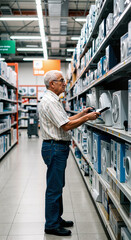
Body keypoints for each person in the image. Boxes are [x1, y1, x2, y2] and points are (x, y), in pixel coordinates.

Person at [39, 70, 100, 237]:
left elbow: (66, 120)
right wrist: (87, 119)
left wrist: (82, 114)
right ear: (52, 84)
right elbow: (66, 126)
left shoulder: (54, 100)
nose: (65, 83)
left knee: (58, 186)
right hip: (54, 147)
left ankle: (56, 219)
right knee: (54, 188)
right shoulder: (50, 102)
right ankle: (51, 224)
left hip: (56, 148)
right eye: (61, 81)